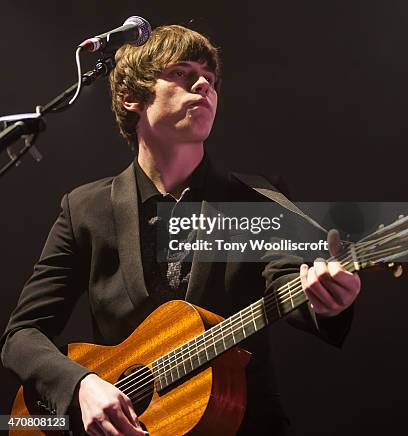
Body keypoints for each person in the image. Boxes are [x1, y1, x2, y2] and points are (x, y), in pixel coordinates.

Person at [1, 24, 360, 435]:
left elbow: (287, 281)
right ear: (130, 97)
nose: (205, 83)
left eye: (211, 78)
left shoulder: (253, 200)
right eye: (183, 73)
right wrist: (81, 385)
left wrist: (327, 299)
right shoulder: (85, 209)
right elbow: (21, 335)